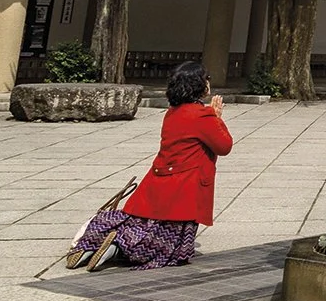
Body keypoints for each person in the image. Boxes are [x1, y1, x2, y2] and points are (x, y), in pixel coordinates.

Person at [66, 61, 232, 271]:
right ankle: (118, 247)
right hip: (185, 183)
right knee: (168, 243)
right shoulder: (202, 115)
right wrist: (217, 118)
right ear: (198, 84)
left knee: (143, 222)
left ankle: (96, 243)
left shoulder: (173, 112)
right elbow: (224, 145)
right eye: (206, 78)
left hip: (160, 177)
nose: (209, 82)